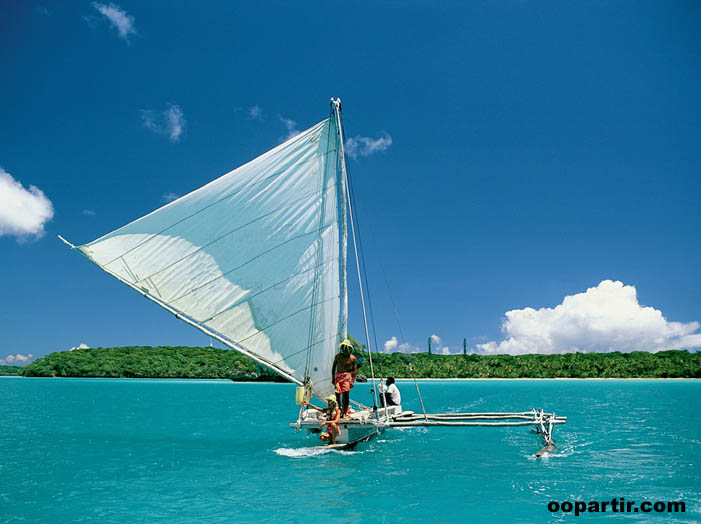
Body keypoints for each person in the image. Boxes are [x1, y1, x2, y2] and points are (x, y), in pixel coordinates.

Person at [332, 339, 357, 418]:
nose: (344, 349)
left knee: (345, 394)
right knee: (337, 394)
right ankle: (339, 410)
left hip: (347, 376)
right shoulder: (338, 356)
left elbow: (354, 370)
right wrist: (333, 378)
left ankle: (345, 412)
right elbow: (333, 368)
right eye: (343, 347)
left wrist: (352, 381)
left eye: (346, 348)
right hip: (338, 376)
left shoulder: (353, 358)